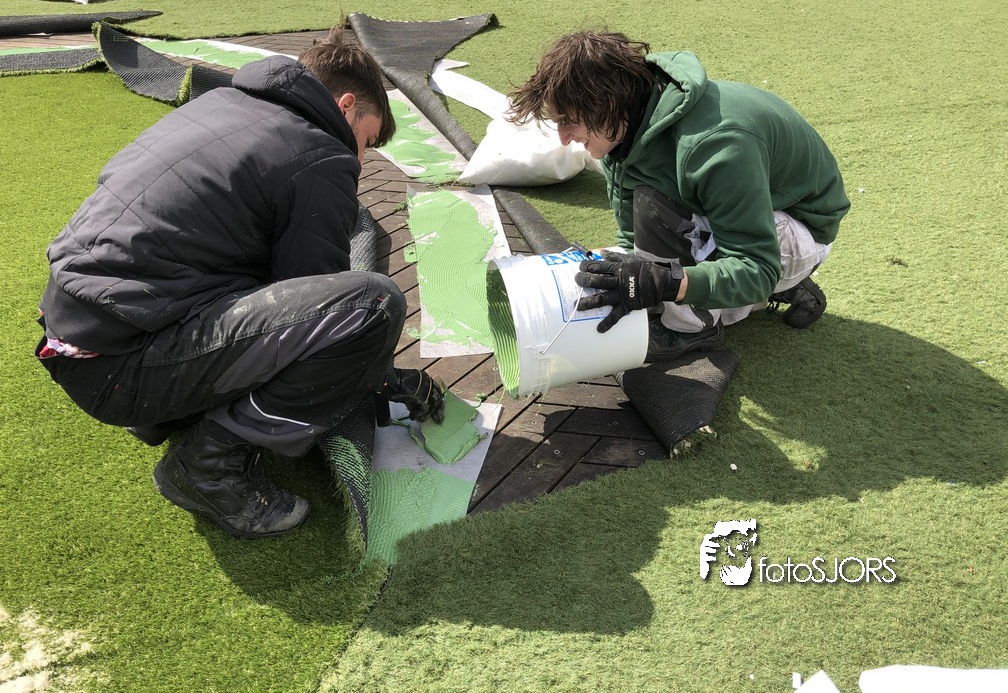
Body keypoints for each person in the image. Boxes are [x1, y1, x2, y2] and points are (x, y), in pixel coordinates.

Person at [35, 27, 444, 539]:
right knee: (372, 305)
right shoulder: (321, 153)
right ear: (344, 106)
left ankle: (166, 410)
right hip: (122, 368)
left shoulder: (218, 104)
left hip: (72, 335)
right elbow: (315, 306)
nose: (360, 160)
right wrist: (379, 375)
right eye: (366, 140)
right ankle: (208, 467)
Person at [508, 31, 849, 361]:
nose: (563, 138)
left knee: (662, 236)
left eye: (569, 121)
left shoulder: (717, 145)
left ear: (606, 102)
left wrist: (669, 283)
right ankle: (758, 289)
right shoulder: (623, 127)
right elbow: (633, 239)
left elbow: (756, 267)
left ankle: (692, 328)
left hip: (797, 232)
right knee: (651, 236)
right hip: (748, 220)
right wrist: (627, 274)